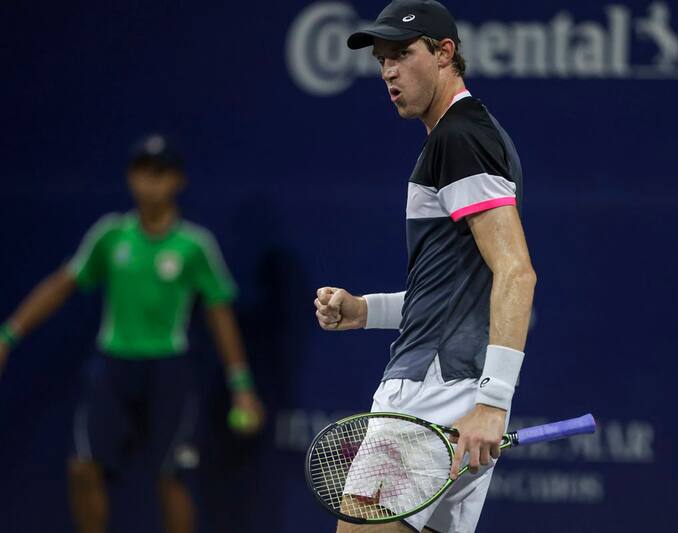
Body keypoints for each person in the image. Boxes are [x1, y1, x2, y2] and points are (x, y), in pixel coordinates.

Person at [313, 1, 537, 532]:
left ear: (444, 53)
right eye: (382, 60)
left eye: (403, 54)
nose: (389, 71)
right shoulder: (478, 135)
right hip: (455, 395)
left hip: (429, 398)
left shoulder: (459, 139)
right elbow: (460, 294)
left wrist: (493, 403)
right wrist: (367, 310)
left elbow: (516, 273)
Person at [0, 134, 264, 533]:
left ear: (177, 181)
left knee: (172, 478)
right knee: (82, 468)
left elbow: (220, 316)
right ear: (130, 179)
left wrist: (241, 384)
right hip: (113, 367)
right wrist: (7, 336)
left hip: (168, 370)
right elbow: (62, 284)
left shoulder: (194, 245)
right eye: (142, 172)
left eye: (160, 174)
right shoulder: (110, 235)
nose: (149, 183)